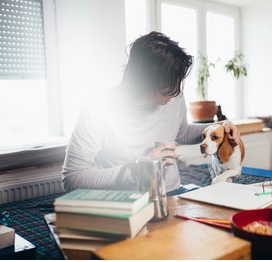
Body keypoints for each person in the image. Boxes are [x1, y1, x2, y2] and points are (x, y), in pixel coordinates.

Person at [62, 31, 241, 194]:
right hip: (128, 202)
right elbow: (72, 178)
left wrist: (220, 127)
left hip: (174, 192)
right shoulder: (97, 109)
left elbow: (182, 133)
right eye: (172, 83)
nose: (178, 91)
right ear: (147, 79)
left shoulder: (173, 97)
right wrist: (141, 168)